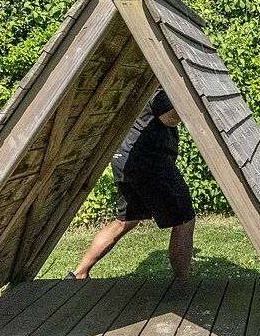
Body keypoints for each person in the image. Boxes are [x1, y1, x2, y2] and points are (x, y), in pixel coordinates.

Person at [68, 87, 196, 280]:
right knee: (185, 220)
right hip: (149, 161)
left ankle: (79, 273)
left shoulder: (136, 86)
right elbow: (170, 117)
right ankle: (182, 284)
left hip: (124, 158)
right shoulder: (158, 89)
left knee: (125, 221)